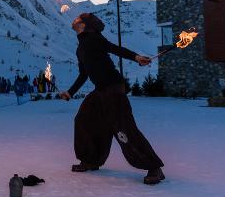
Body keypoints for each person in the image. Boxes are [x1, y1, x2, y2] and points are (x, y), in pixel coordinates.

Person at [59, 13, 165, 185]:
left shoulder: (94, 38)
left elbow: (115, 49)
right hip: (100, 90)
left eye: (78, 19)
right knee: (83, 120)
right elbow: (84, 74)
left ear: (85, 25)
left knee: (124, 128)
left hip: (113, 88)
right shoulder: (80, 48)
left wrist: (137, 57)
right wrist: (70, 93)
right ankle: (90, 160)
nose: (75, 20)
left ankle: (153, 167)